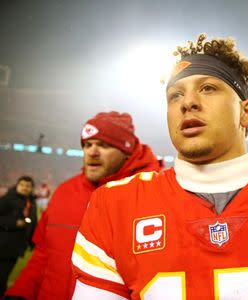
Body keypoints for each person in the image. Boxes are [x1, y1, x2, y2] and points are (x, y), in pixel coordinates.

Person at [71, 34, 248, 299]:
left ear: (246, 112)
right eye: (175, 95)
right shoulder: (114, 205)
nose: (188, 102)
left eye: (208, 88)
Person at [5, 111, 162, 300]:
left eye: (104, 145)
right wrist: (19, 294)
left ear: (126, 152)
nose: (92, 152)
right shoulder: (64, 192)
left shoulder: (153, 196)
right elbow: (43, 255)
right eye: (87, 144)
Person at [0, 176, 37, 296]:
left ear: (31, 188)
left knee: (5, 274)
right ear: (17, 185)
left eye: (28, 186)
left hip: (16, 247)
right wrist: (13, 223)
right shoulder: (7, 199)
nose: (25, 188)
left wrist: (33, 242)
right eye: (22, 185)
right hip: (3, 244)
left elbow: (33, 222)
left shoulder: (31, 202)